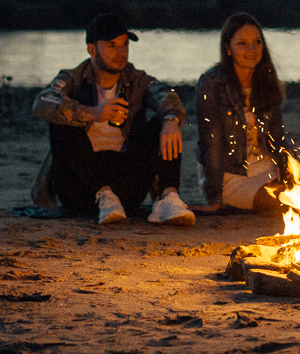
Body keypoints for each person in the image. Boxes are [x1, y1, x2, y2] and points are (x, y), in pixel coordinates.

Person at [30, 13, 191, 226]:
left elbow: (167, 97)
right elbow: (42, 102)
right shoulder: (72, 78)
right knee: (60, 123)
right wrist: (93, 113)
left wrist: (171, 120)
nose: (121, 52)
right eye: (112, 46)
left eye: (124, 45)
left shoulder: (136, 79)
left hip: (126, 185)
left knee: (165, 121)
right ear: (91, 49)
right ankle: (105, 196)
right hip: (81, 187)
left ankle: (168, 198)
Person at [195, 13, 290, 212]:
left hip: (269, 171)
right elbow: (212, 144)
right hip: (231, 178)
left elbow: (278, 139)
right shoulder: (211, 84)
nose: (252, 49)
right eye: (242, 43)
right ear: (228, 49)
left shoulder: (266, 82)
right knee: (283, 201)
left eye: (257, 42)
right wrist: (214, 199)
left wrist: (290, 172)